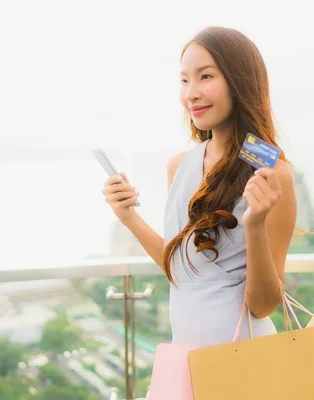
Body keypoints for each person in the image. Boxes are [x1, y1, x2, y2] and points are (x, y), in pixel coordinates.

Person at [101, 26, 297, 349]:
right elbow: (183, 270)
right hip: (186, 357)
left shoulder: (270, 170)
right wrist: (128, 218)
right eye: (184, 80)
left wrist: (256, 224)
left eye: (205, 77)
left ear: (240, 82)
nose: (190, 92)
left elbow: (262, 306)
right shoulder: (179, 166)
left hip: (243, 359)